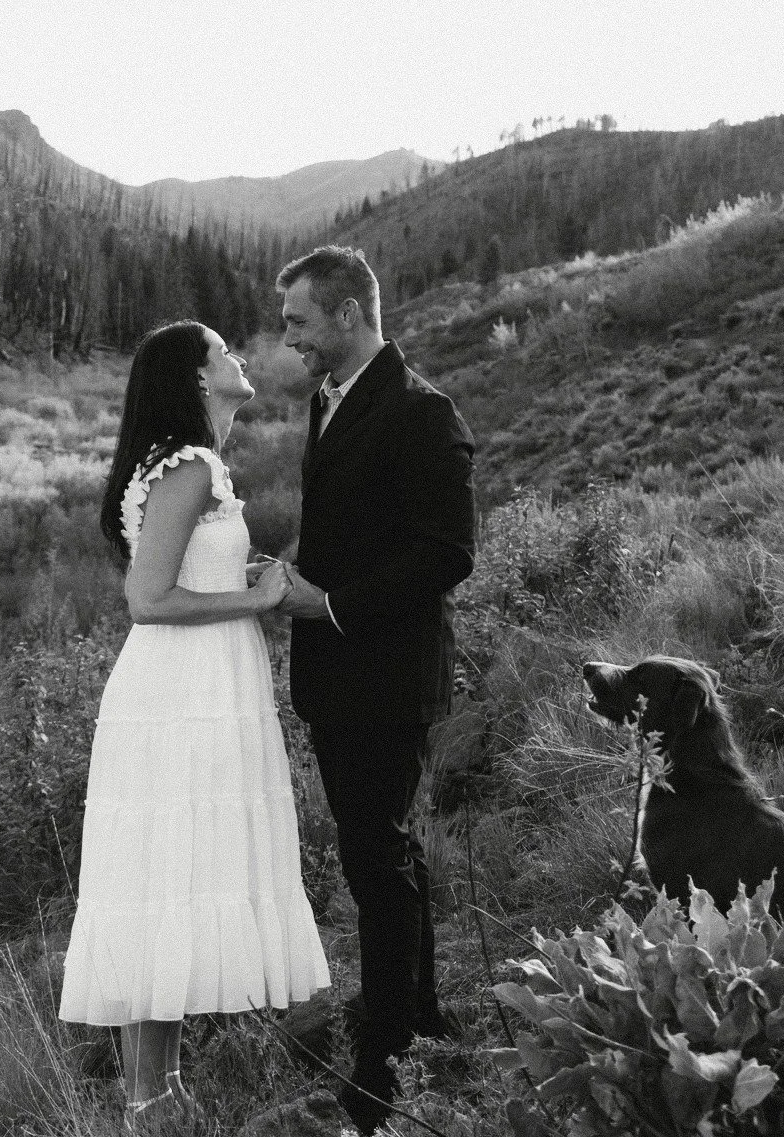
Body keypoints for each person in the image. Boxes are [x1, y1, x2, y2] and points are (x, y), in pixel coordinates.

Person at [59, 320, 330, 1125]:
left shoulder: (188, 466)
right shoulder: (189, 467)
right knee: (167, 873)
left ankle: (163, 1092)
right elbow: (147, 601)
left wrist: (242, 576)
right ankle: (148, 1099)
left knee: (172, 873)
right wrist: (260, 597)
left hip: (200, 683)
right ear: (197, 380)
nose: (238, 358)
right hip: (183, 692)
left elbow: (183, 573)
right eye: (222, 351)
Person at [274, 247, 477, 1134]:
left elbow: (447, 554)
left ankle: (384, 1068)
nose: (290, 341)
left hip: (387, 675)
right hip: (337, 676)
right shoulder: (331, 400)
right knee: (386, 852)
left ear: (350, 313)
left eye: (299, 322)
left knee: (375, 861)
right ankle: (422, 1017)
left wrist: (334, 605)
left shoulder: (422, 412)